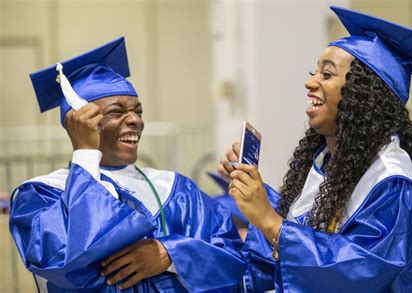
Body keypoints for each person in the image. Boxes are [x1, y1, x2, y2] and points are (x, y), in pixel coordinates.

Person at [217, 6, 412, 292]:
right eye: (313, 72)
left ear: (362, 97)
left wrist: (270, 221)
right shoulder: (331, 165)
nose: (309, 82)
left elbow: (355, 270)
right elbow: (308, 228)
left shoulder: (391, 184)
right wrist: (251, 191)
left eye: (326, 75)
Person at [9, 37, 245, 292]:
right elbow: (64, 260)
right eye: (116, 112)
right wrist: (86, 152)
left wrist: (172, 254)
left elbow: (231, 255)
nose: (135, 120)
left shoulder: (177, 188)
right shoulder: (41, 194)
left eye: (138, 111)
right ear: (79, 121)